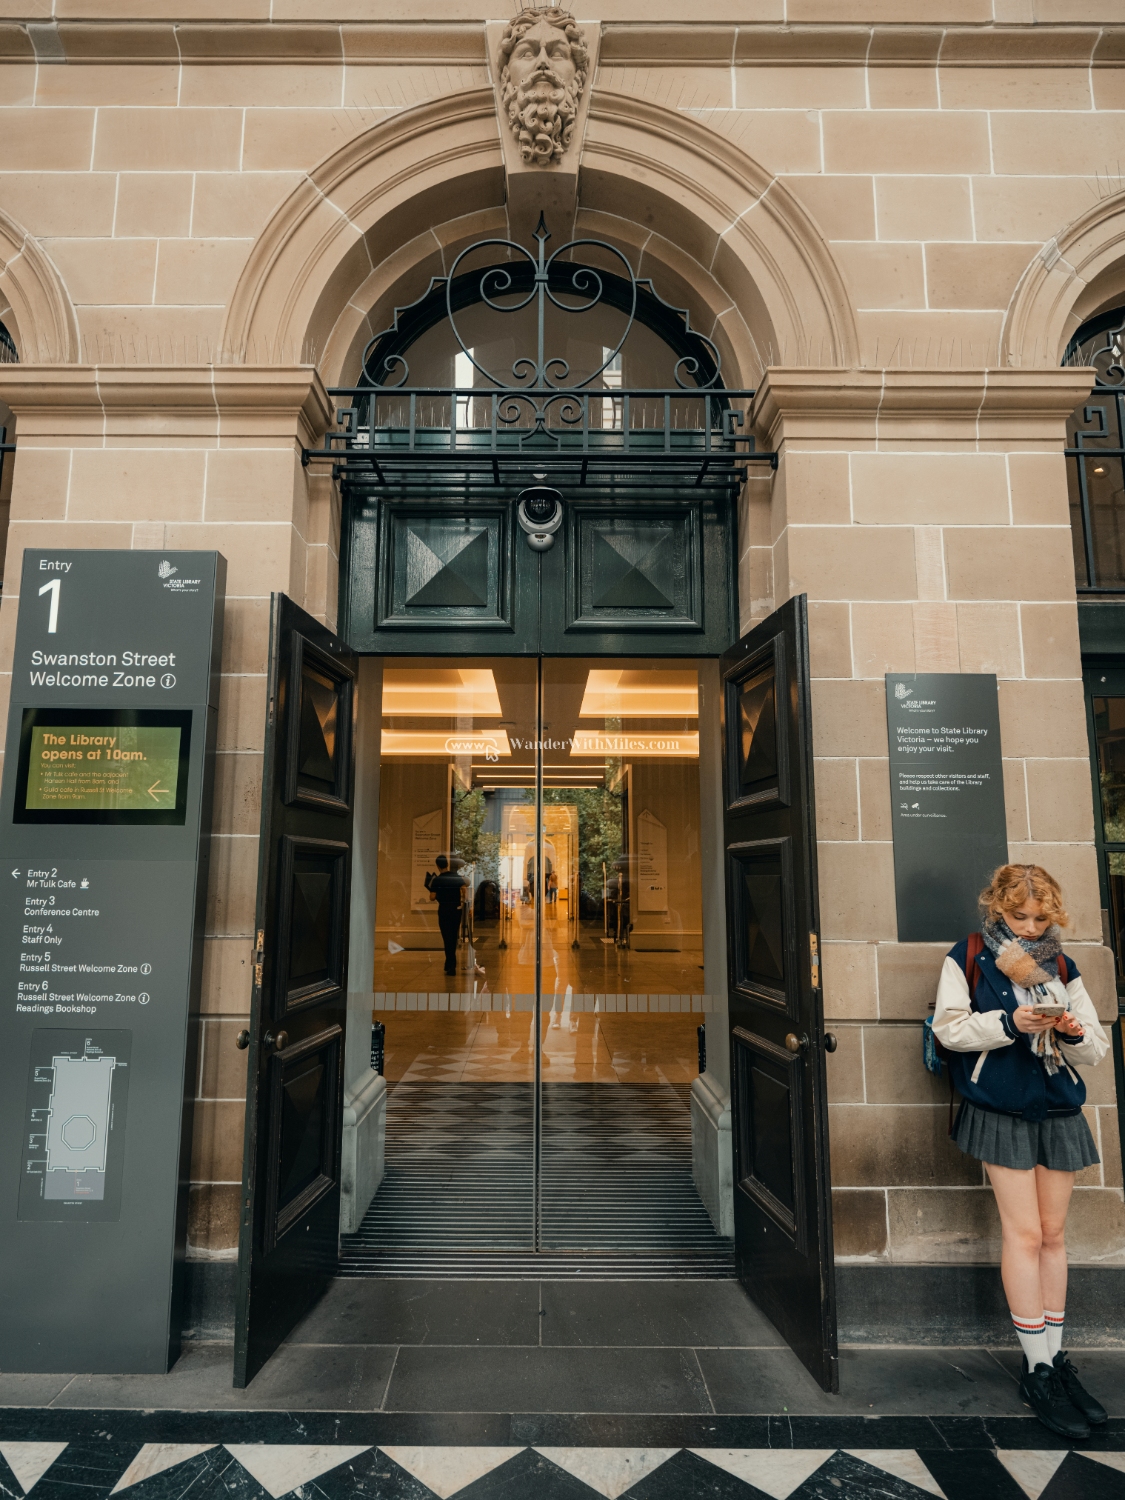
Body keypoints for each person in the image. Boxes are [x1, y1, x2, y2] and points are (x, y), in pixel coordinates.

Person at [933, 863, 1109, 1439]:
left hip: (1057, 1104)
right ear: (996, 909)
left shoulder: (1062, 963)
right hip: (1001, 1103)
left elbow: (1097, 1049)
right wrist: (1010, 1021)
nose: (1030, 927)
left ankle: (1057, 1362)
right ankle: (1035, 1368)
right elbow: (949, 1029)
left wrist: (1074, 1034)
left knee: (1054, 1235)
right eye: (1019, 916)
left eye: (1040, 917)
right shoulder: (972, 954)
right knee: (1025, 1234)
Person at [428, 854, 467, 976]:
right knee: (453, 936)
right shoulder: (456, 877)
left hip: (444, 910)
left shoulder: (437, 880)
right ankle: (449, 963)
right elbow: (464, 889)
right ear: (447, 864)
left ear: (438, 866)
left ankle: (451, 964)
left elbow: (432, 897)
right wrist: (461, 899)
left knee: (447, 937)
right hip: (456, 909)